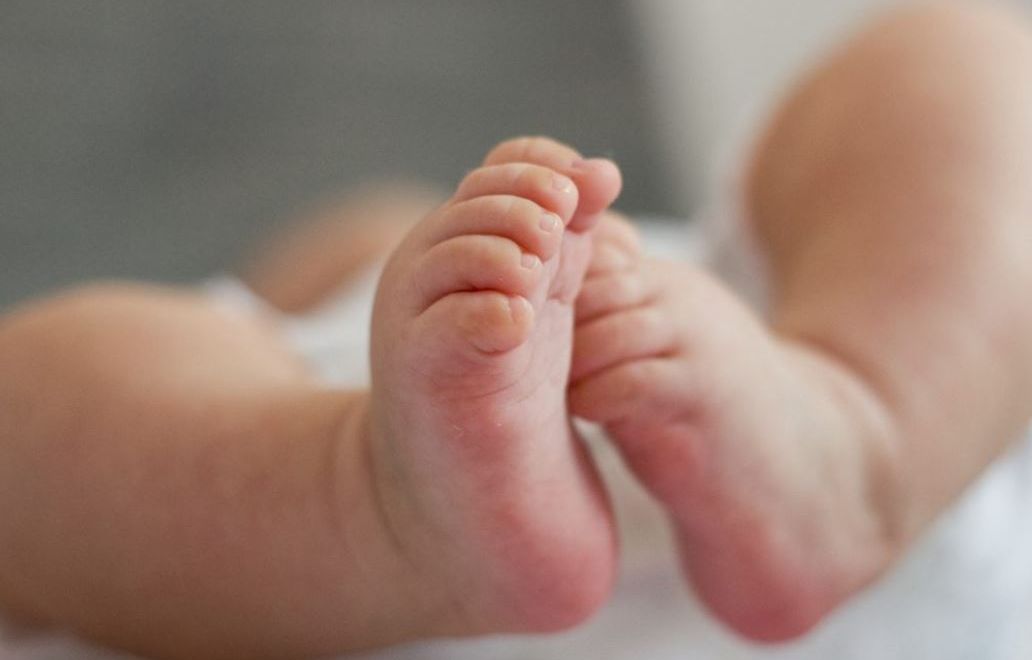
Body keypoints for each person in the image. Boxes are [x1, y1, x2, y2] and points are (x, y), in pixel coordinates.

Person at [1, 2, 1031, 659]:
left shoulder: (286, 353)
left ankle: (378, 508)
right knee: (966, 57)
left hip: (344, 541)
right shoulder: (303, 356)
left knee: (27, 421)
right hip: (868, 500)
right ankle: (861, 428)